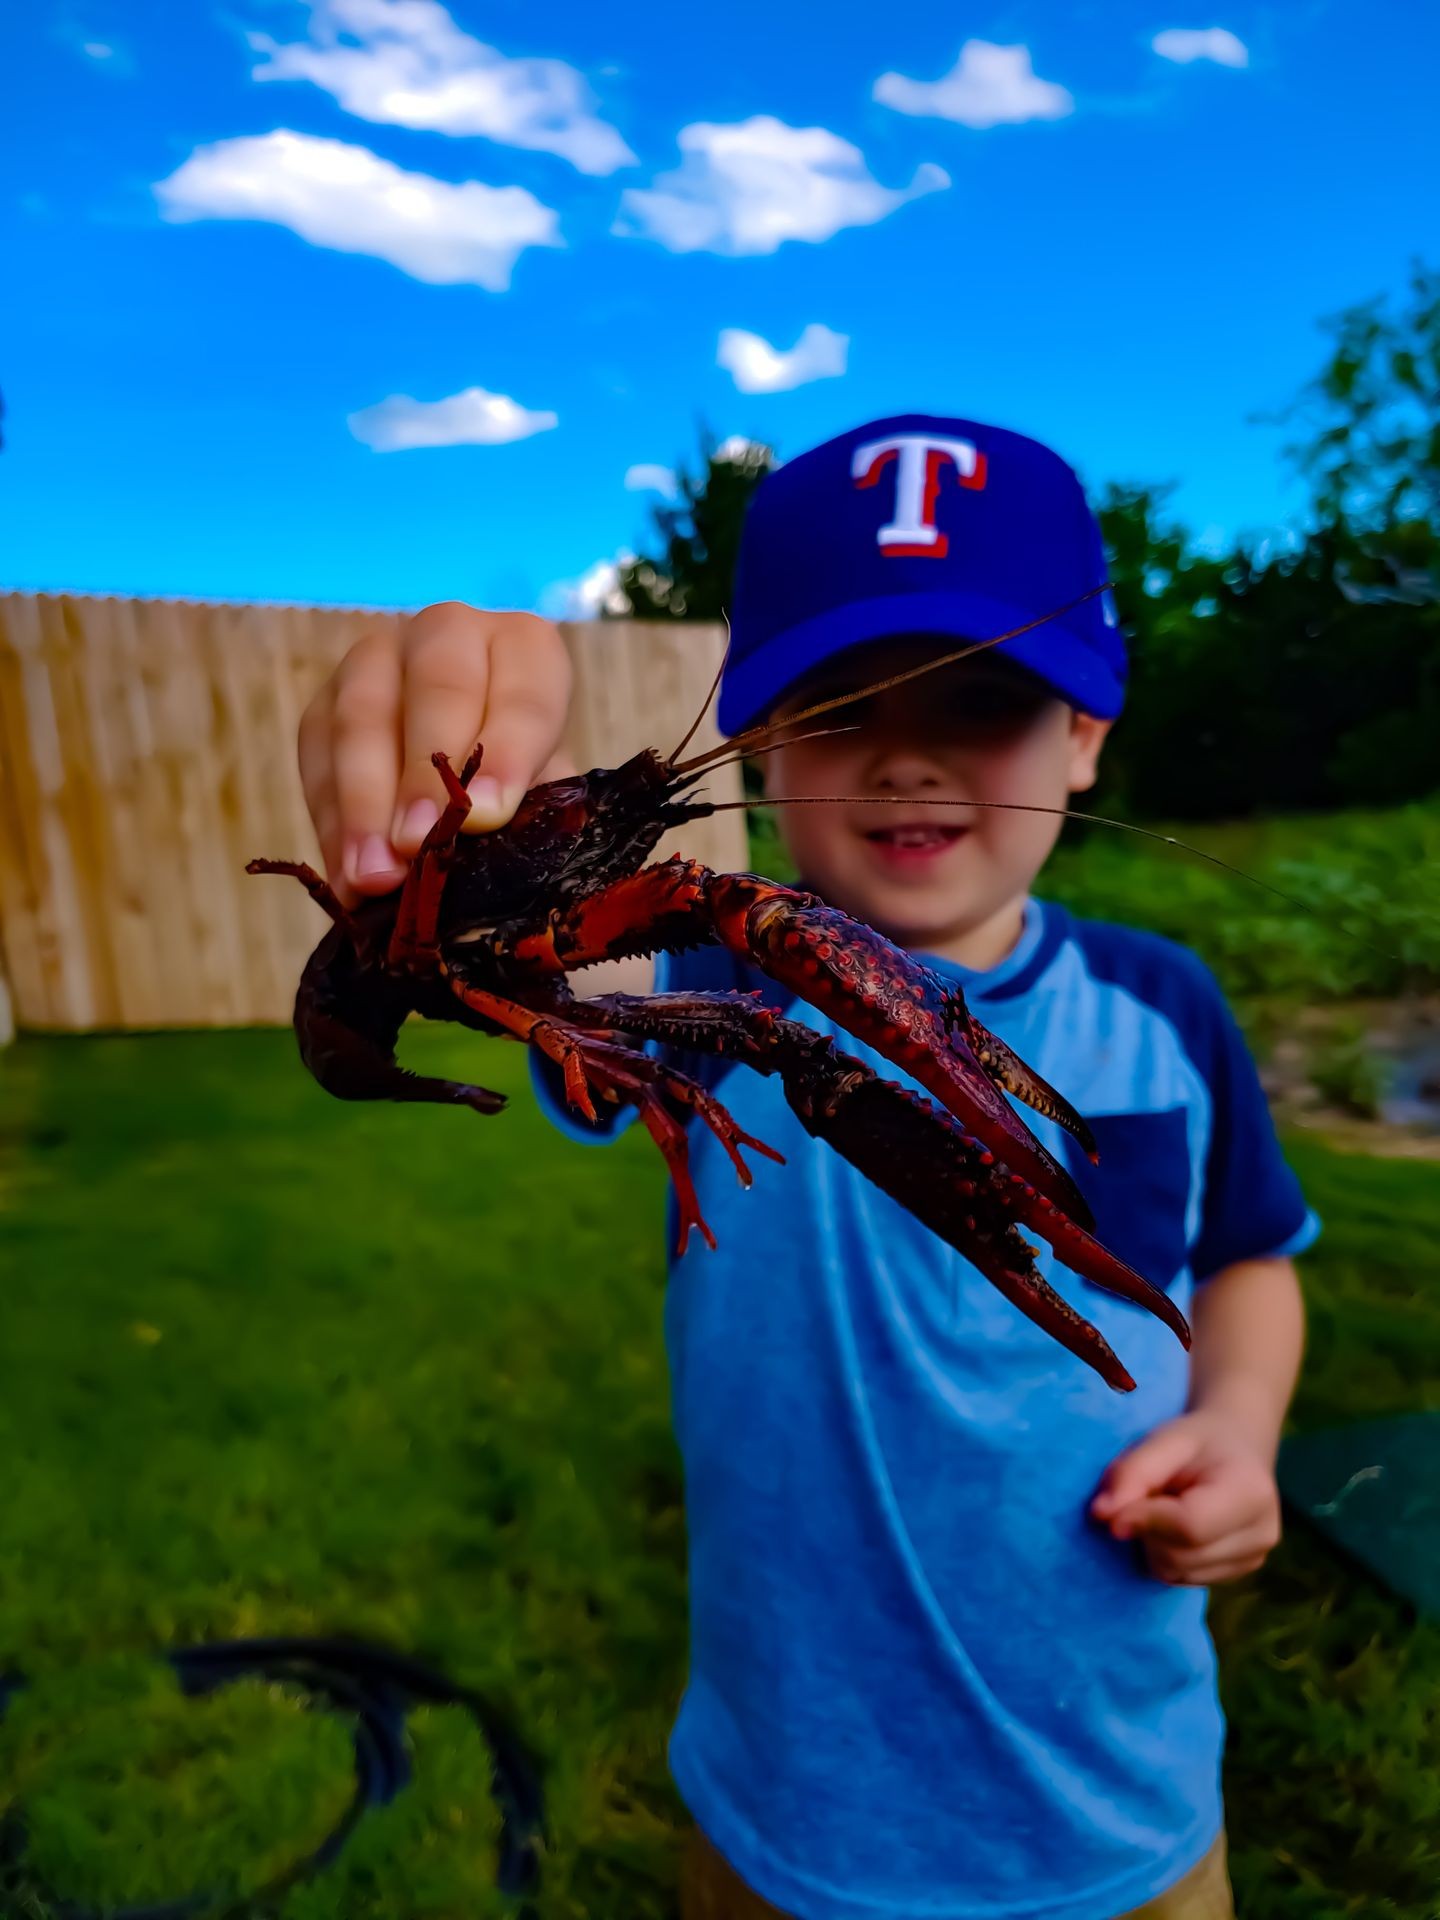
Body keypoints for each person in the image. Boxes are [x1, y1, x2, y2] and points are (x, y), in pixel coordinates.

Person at [298, 415, 1317, 1920]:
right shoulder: (716, 977)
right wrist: (455, 732)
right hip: (787, 1815)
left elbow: (1247, 1259)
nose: (907, 753)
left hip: (1124, 1805)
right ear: (763, 741)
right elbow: (569, 1008)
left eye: (981, 699)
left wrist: (1238, 1423)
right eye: (836, 706)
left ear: (1089, 732)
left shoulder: (1163, 1011)